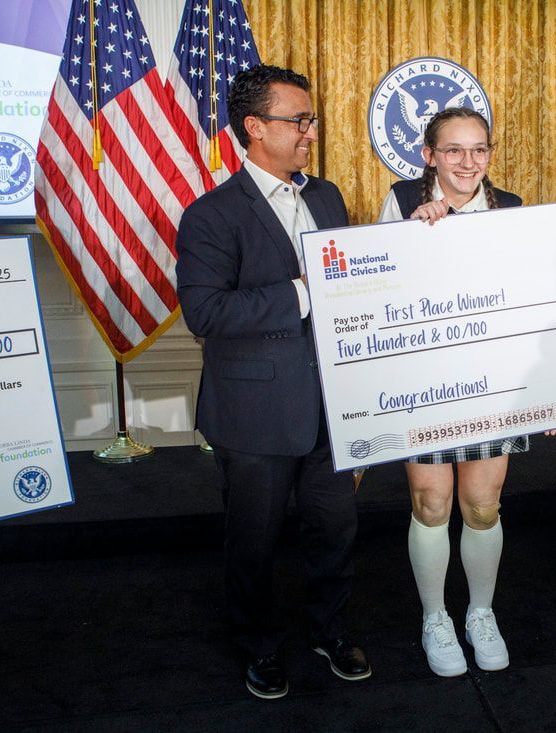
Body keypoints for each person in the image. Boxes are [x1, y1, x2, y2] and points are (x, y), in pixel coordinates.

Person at [176, 64, 369, 700]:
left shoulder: (328, 198)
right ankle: (258, 645)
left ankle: (329, 629)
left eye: (310, 119)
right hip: (254, 411)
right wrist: (299, 293)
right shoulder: (211, 215)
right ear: (256, 128)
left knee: (334, 530)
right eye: (299, 120)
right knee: (253, 540)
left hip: (332, 408)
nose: (310, 131)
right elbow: (207, 312)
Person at [377, 107, 527, 677]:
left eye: (479, 149)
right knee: (431, 503)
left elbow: (527, 300)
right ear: (429, 155)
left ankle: (481, 613)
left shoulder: (510, 209)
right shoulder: (400, 202)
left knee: (482, 506)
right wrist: (413, 235)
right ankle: (436, 616)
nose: (469, 162)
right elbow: (381, 293)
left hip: (492, 381)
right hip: (427, 382)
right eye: (455, 150)